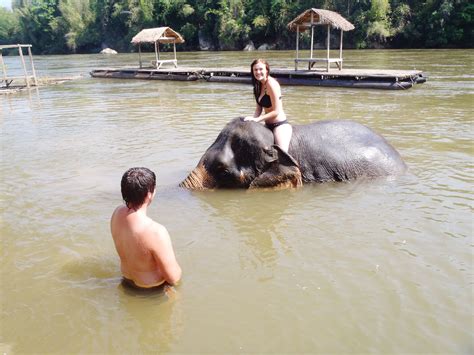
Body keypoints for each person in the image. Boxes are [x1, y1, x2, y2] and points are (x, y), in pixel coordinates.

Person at [110, 167, 182, 289]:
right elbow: (173, 279)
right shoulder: (156, 232)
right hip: (152, 291)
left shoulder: (116, 213)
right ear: (149, 194)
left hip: (125, 282)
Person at [244, 58, 292, 152]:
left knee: (281, 154)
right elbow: (259, 109)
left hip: (279, 125)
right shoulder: (258, 85)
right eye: (255, 70)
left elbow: (276, 111)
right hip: (267, 125)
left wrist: (258, 119)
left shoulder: (272, 84)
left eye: (261, 69)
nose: (258, 72)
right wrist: (252, 120)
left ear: (267, 70)